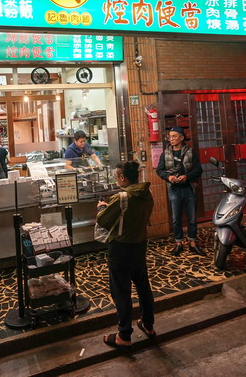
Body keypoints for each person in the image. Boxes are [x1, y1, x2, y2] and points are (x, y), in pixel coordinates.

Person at [96, 161, 156, 351]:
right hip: (140, 245)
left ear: (123, 177)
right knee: (143, 287)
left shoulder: (122, 198)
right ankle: (148, 324)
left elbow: (103, 220)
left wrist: (101, 207)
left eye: (116, 175)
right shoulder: (148, 193)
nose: (115, 178)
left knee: (121, 292)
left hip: (121, 249)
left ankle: (124, 336)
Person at [156, 126, 204, 256]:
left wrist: (187, 177)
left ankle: (192, 242)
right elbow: (159, 170)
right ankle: (178, 243)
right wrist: (168, 177)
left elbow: (198, 170)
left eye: (174, 136)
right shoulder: (165, 153)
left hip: (189, 188)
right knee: (176, 218)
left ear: (182, 138)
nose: (171, 139)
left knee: (192, 218)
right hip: (173, 189)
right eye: (170, 136)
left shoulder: (191, 152)